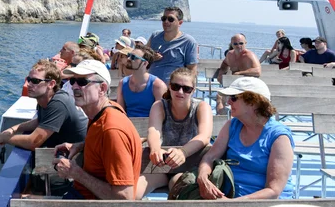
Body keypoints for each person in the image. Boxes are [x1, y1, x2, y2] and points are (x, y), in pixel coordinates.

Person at [53, 60, 142, 200]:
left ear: (102, 88)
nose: (75, 86)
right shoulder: (102, 112)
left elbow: (124, 198)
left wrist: (75, 173)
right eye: (72, 81)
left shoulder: (111, 129)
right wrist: (83, 145)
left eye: (82, 82)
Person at [197, 77, 295, 199]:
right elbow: (210, 157)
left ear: (253, 102)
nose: (228, 102)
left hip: (264, 202)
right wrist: (203, 177)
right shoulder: (232, 126)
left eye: (234, 98)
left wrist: (233, 204)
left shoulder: (279, 137)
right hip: (229, 196)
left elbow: (273, 190)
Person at [136, 68, 213, 199]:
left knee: (181, 190)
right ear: (169, 87)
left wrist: (183, 152)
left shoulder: (201, 107)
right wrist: (155, 149)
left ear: (193, 91)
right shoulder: (159, 106)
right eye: (176, 87)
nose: (180, 92)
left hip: (188, 167)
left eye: (186, 89)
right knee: (133, 191)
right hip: (161, 167)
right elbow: (154, 130)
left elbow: (204, 136)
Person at [0, 59, 87, 150]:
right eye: (29, 79)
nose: (28, 84)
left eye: (35, 81)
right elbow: (41, 120)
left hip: (79, 155)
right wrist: (13, 129)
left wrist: (4, 138)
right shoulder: (44, 98)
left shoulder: (58, 103)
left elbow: (33, 142)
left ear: (51, 84)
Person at [147, 7, 198, 83]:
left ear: (180, 23)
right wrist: (151, 57)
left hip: (173, 89)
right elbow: (143, 56)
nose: (166, 21)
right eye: (164, 18)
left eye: (170, 19)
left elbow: (192, 70)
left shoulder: (188, 42)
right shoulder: (155, 36)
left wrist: (188, 89)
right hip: (151, 86)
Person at [215, 33, 261, 114]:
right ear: (232, 44)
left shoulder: (249, 55)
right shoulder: (230, 54)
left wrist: (240, 73)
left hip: (248, 88)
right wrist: (221, 73)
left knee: (224, 99)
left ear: (245, 43)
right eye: (235, 44)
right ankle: (224, 121)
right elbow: (224, 64)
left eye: (241, 43)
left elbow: (257, 71)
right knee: (219, 97)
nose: (238, 46)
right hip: (234, 87)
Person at [116, 45, 166, 117]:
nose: (129, 58)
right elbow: (120, 112)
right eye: (129, 55)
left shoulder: (158, 86)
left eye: (133, 57)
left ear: (145, 63)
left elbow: (161, 115)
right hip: (128, 125)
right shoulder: (123, 83)